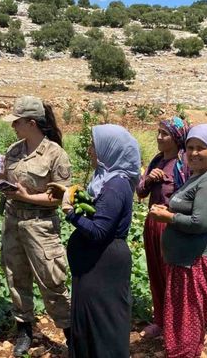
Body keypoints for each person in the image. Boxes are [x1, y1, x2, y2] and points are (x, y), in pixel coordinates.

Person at [0, 96, 71, 357]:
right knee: (16, 278)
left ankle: (70, 332)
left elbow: (59, 196)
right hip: (13, 222)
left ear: (31, 123)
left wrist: (27, 197)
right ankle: (24, 330)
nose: (13, 127)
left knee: (52, 280)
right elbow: (5, 185)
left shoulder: (55, 154)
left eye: (16, 122)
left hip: (40, 226)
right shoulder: (14, 150)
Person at [54, 124, 140, 358]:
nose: (90, 150)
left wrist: (70, 212)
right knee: (95, 320)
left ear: (109, 150)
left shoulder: (115, 186)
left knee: (103, 322)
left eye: (95, 145)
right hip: (96, 265)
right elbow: (101, 215)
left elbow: (100, 231)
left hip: (102, 265)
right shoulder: (108, 181)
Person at [148, 123, 207, 358]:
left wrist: (168, 217)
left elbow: (201, 223)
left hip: (196, 263)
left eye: (200, 148)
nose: (193, 153)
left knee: (188, 321)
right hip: (185, 261)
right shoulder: (198, 175)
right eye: (190, 147)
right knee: (183, 320)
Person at [136, 117, 189, 339]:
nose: (159, 137)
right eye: (158, 132)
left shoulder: (183, 164)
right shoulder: (157, 161)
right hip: (152, 224)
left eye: (164, 134)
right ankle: (160, 320)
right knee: (155, 272)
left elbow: (189, 197)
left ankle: (175, 324)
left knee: (172, 276)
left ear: (176, 139)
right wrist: (148, 180)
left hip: (170, 226)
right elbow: (140, 192)